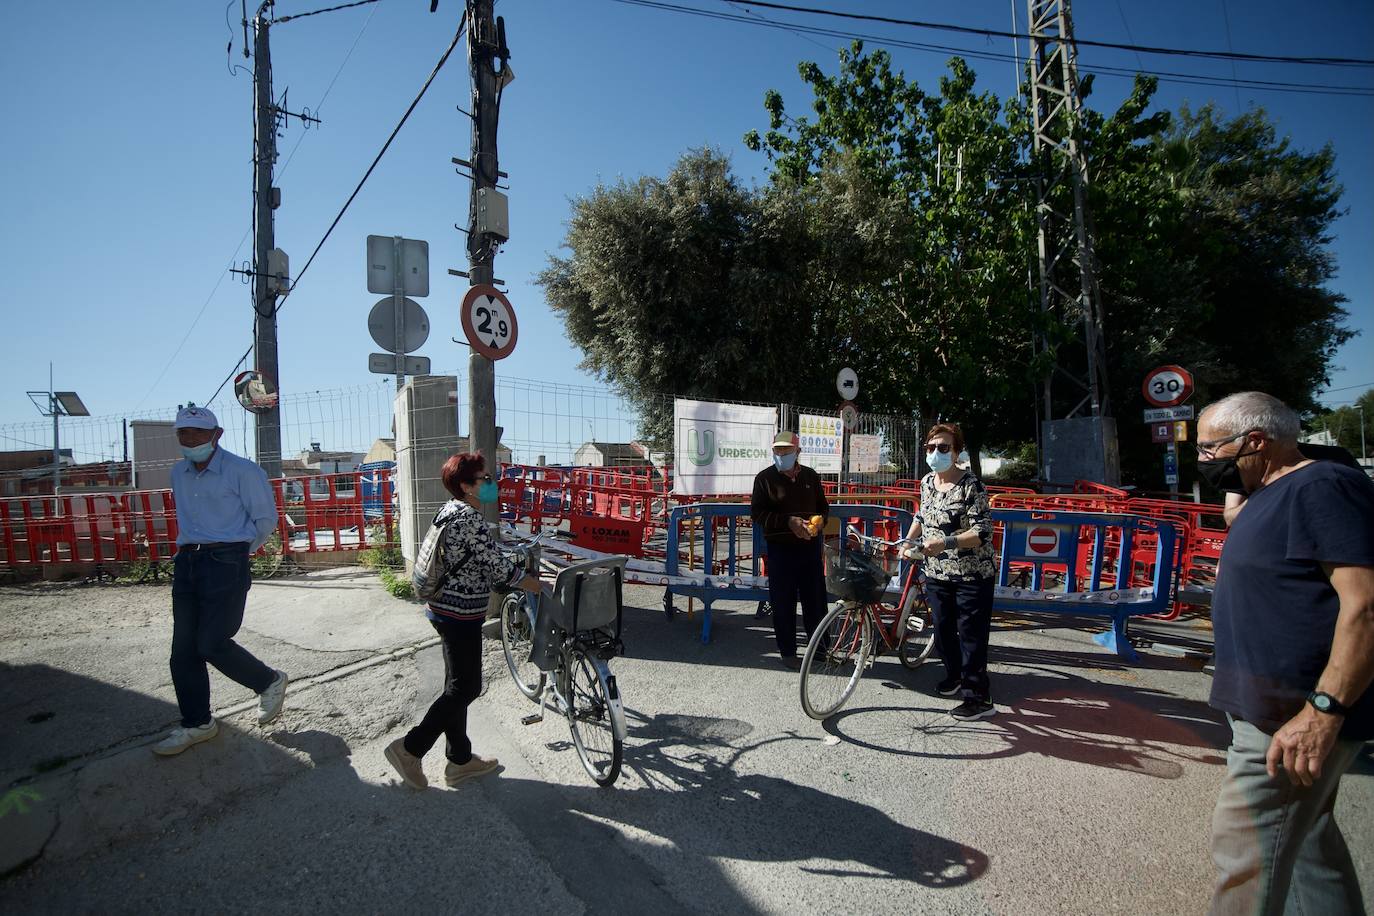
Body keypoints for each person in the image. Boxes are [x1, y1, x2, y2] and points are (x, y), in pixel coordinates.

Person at [1197, 391, 1374, 914]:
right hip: (1269, 707)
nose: (1204, 461)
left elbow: (1365, 607)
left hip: (1293, 716)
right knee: (1308, 848)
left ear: (1255, 441)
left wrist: (1322, 712)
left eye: (1210, 449)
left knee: (1244, 856)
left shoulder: (1322, 487)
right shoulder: (1269, 491)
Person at [385, 452, 541, 790]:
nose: (491, 483)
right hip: (459, 614)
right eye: (484, 479)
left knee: (455, 685)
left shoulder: (450, 510)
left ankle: (459, 760)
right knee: (466, 687)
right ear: (466, 485)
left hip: (444, 609)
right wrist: (537, 585)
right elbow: (495, 567)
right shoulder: (469, 518)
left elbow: (479, 556)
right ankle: (410, 748)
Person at [153, 405, 289, 756]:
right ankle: (197, 723)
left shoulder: (242, 471)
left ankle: (268, 681)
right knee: (182, 650)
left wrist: (237, 552)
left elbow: (265, 520)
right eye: (184, 433)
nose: (191, 439)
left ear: (217, 435)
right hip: (188, 562)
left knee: (212, 642)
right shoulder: (178, 474)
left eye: (199, 433)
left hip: (226, 560)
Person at [901, 423, 996, 721]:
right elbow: (922, 514)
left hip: (972, 575)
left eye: (944, 448)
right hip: (937, 573)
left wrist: (946, 541)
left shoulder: (971, 485)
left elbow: (982, 531)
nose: (936, 453)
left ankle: (978, 697)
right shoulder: (927, 482)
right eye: (931, 448)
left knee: (971, 636)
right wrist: (908, 540)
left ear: (957, 452)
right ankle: (955, 676)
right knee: (942, 631)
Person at [750, 431, 829, 669]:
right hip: (780, 549)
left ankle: (820, 649)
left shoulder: (811, 476)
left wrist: (818, 523)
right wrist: (789, 522)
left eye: (786, 450)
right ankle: (788, 652)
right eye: (777, 450)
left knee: (815, 601)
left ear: (798, 452)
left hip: (809, 548)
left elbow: (824, 508)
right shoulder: (764, 479)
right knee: (782, 602)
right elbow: (757, 514)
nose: (781, 454)